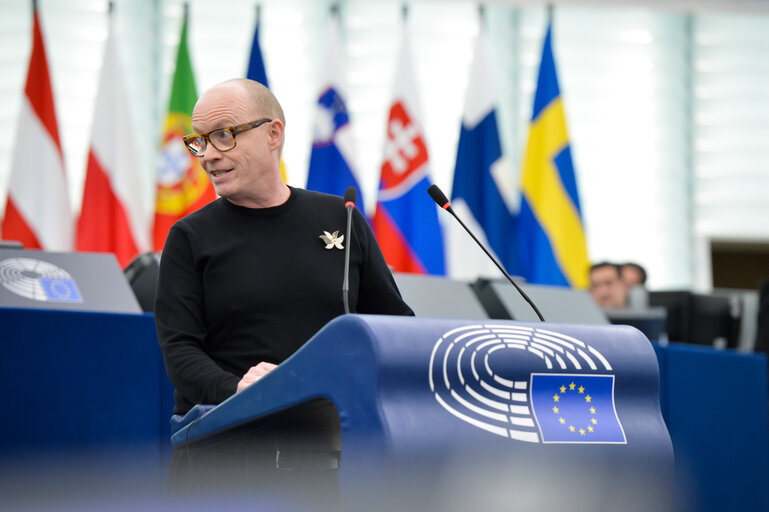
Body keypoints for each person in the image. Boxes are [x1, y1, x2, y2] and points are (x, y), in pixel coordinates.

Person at [154, 78, 414, 417]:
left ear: (273, 134)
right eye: (199, 141)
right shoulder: (190, 236)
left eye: (223, 135)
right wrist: (237, 389)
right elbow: (180, 350)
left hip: (338, 433)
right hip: (230, 438)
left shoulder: (341, 217)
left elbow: (395, 327)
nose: (209, 156)